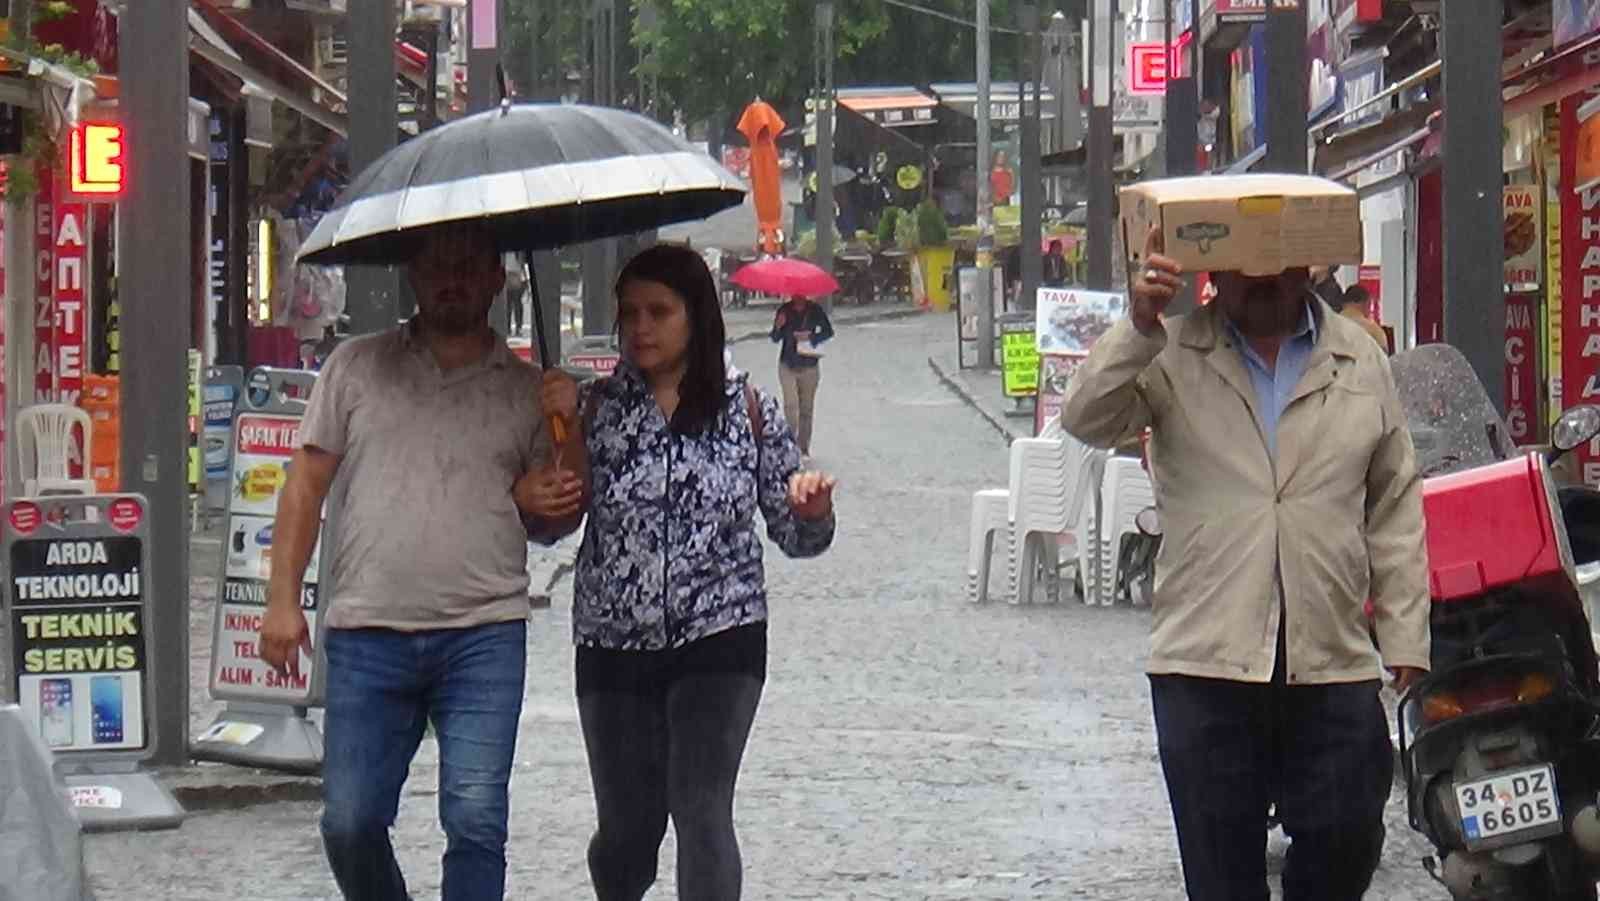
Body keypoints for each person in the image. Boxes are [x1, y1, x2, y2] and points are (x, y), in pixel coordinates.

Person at [1058, 227, 1430, 901]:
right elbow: (1085, 416)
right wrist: (1137, 325)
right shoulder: (1170, 353)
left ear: (1309, 265)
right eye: (1245, 265)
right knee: (1220, 871)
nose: (1265, 280)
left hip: (1331, 653)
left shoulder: (1358, 360)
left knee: (1348, 830)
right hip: (1206, 659)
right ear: (1213, 270)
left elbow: (1394, 500)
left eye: (1281, 263)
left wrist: (1406, 631)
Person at [257, 223, 586, 901]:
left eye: (469, 265)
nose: (453, 279)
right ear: (413, 274)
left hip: (484, 631)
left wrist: (567, 432)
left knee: (474, 818)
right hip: (367, 629)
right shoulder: (353, 365)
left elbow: (557, 518)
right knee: (350, 820)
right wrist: (282, 600)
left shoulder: (528, 387)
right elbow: (305, 484)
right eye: (438, 265)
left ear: (499, 277)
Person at [570, 244, 837, 900]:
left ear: (697, 316)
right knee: (628, 832)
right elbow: (547, 519)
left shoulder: (746, 408)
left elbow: (796, 534)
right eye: (628, 312)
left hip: (722, 636)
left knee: (700, 804)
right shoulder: (594, 409)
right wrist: (554, 433)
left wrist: (812, 508)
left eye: (659, 311)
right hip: (613, 643)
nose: (641, 326)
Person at [770, 293, 835, 458]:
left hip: (809, 366)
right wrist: (778, 326)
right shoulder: (784, 310)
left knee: (806, 409)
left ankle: (803, 447)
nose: (797, 295)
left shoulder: (815, 310)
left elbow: (828, 331)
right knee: (791, 407)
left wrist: (811, 336)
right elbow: (775, 338)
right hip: (787, 364)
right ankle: (790, 445)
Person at [1334, 283, 1391, 352]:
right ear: (1365, 304)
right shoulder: (1373, 330)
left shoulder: (1328, 325)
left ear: (1344, 303)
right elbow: (1384, 358)